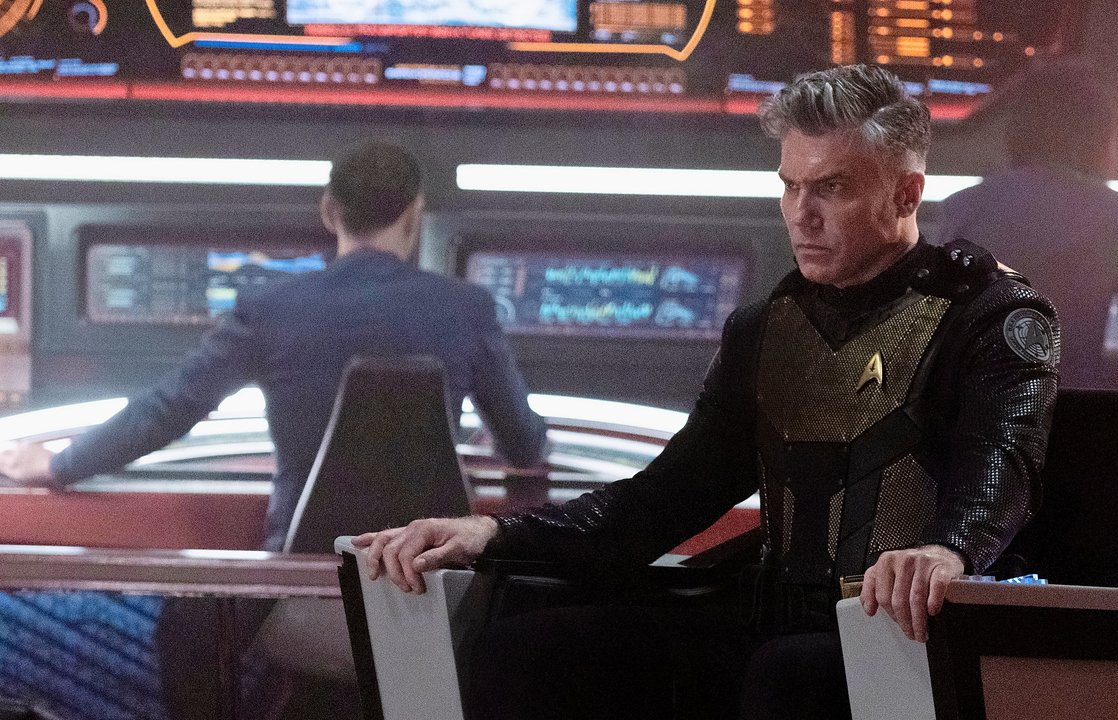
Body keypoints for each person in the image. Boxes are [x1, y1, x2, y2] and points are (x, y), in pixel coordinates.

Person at [356, 65, 1061, 720]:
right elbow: (663, 500)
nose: (801, 214)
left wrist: (947, 551)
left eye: (831, 188)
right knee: (525, 650)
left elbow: (1001, 467)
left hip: (913, 633)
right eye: (790, 186)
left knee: (785, 675)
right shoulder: (765, 329)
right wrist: (494, 534)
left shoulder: (990, 315)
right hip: (768, 619)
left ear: (906, 193)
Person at [0, 141, 548, 550]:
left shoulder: (269, 309)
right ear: (413, 214)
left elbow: (169, 409)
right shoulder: (468, 309)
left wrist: (61, 464)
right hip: (430, 580)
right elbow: (524, 446)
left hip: (300, 575)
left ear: (330, 211)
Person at [937, 58, 1118, 389]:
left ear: (1018, 131)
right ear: (1098, 135)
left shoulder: (962, 207)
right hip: (1072, 404)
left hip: (979, 403)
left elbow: (937, 328)